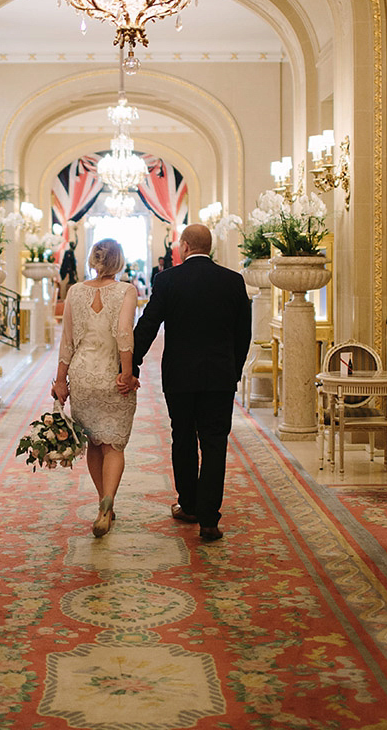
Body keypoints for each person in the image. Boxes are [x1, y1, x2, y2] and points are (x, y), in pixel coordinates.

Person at [132, 223, 251, 542]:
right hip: (219, 378)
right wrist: (233, 370)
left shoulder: (168, 279)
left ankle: (188, 505)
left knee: (183, 438)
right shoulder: (233, 281)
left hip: (180, 377)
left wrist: (131, 363)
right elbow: (244, 334)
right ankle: (209, 519)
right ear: (208, 248)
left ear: (184, 246)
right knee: (215, 443)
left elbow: (148, 325)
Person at [51, 238, 139, 538]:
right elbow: (124, 333)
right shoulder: (127, 290)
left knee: (94, 443)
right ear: (119, 262)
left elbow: (67, 342)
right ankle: (107, 504)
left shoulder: (75, 291)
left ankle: (104, 504)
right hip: (111, 376)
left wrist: (61, 380)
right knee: (113, 444)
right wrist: (126, 374)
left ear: (93, 259)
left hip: (83, 376)